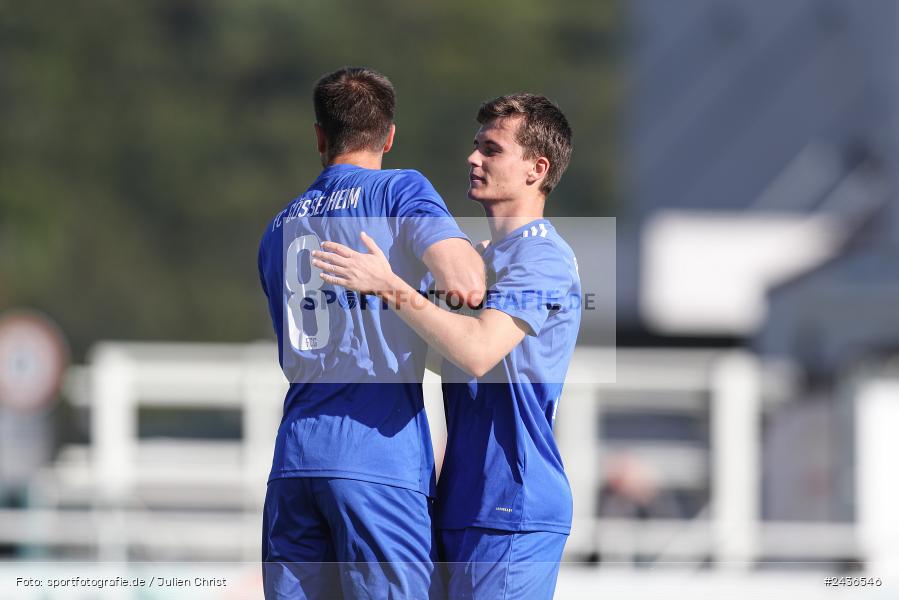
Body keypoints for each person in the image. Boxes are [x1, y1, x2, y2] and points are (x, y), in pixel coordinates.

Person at [313, 93, 580, 599]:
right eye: (475, 145)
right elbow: (438, 352)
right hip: (462, 500)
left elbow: (477, 351)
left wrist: (388, 286)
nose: (473, 158)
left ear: (536, 169)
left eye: (492, 149)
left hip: (512, 504)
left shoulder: (542, 257)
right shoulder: (486, 258)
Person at [257, 66, 485, 599]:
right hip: (376, 459)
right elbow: (467, 283)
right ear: (389, 136)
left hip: (294, 460)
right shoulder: (400, 190)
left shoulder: (277, 226)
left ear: (319, 135)